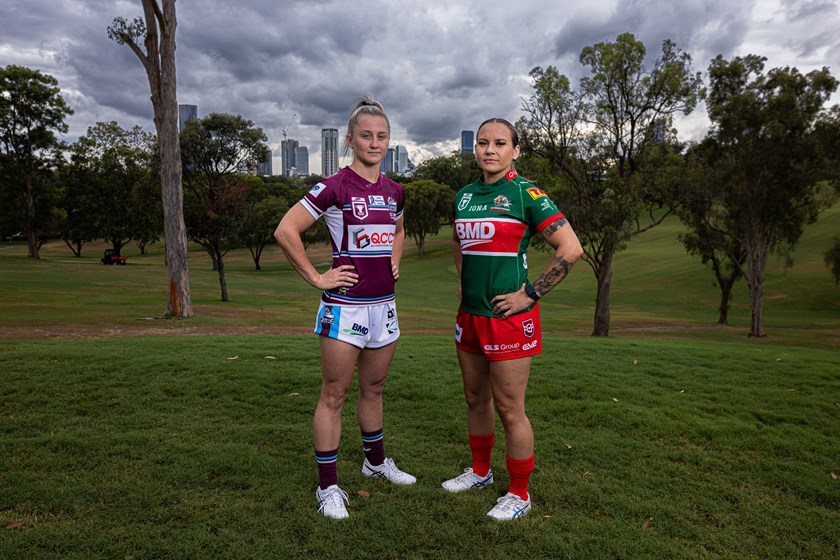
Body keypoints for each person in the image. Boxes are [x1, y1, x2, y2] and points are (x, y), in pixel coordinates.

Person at [274, 97, 415, 520]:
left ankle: (375, 463)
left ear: (389, 141)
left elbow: (399, 227)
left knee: (374, 389)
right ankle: (328, 487)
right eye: (366, 135)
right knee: (334, 394)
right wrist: (318, 278)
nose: (374, 142)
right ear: (350, 139)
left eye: (382, 136)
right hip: (345, 307)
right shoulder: (334, 186)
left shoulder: (395, 190)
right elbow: (286, 230)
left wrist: (396, 257)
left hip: (383, 307)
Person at [443, 118, 583, 521]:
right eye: (483, 143)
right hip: (469, 315)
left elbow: (570, 248)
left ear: (515, 151)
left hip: (507, 319)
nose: (490, 149)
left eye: (500, 143)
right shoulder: (464, 195)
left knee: (509, 408)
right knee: (475, 399)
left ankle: (519, 493)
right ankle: (481, 473)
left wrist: (529, 294)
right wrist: (463, 279)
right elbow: (457, 240)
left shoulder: (526, 194)